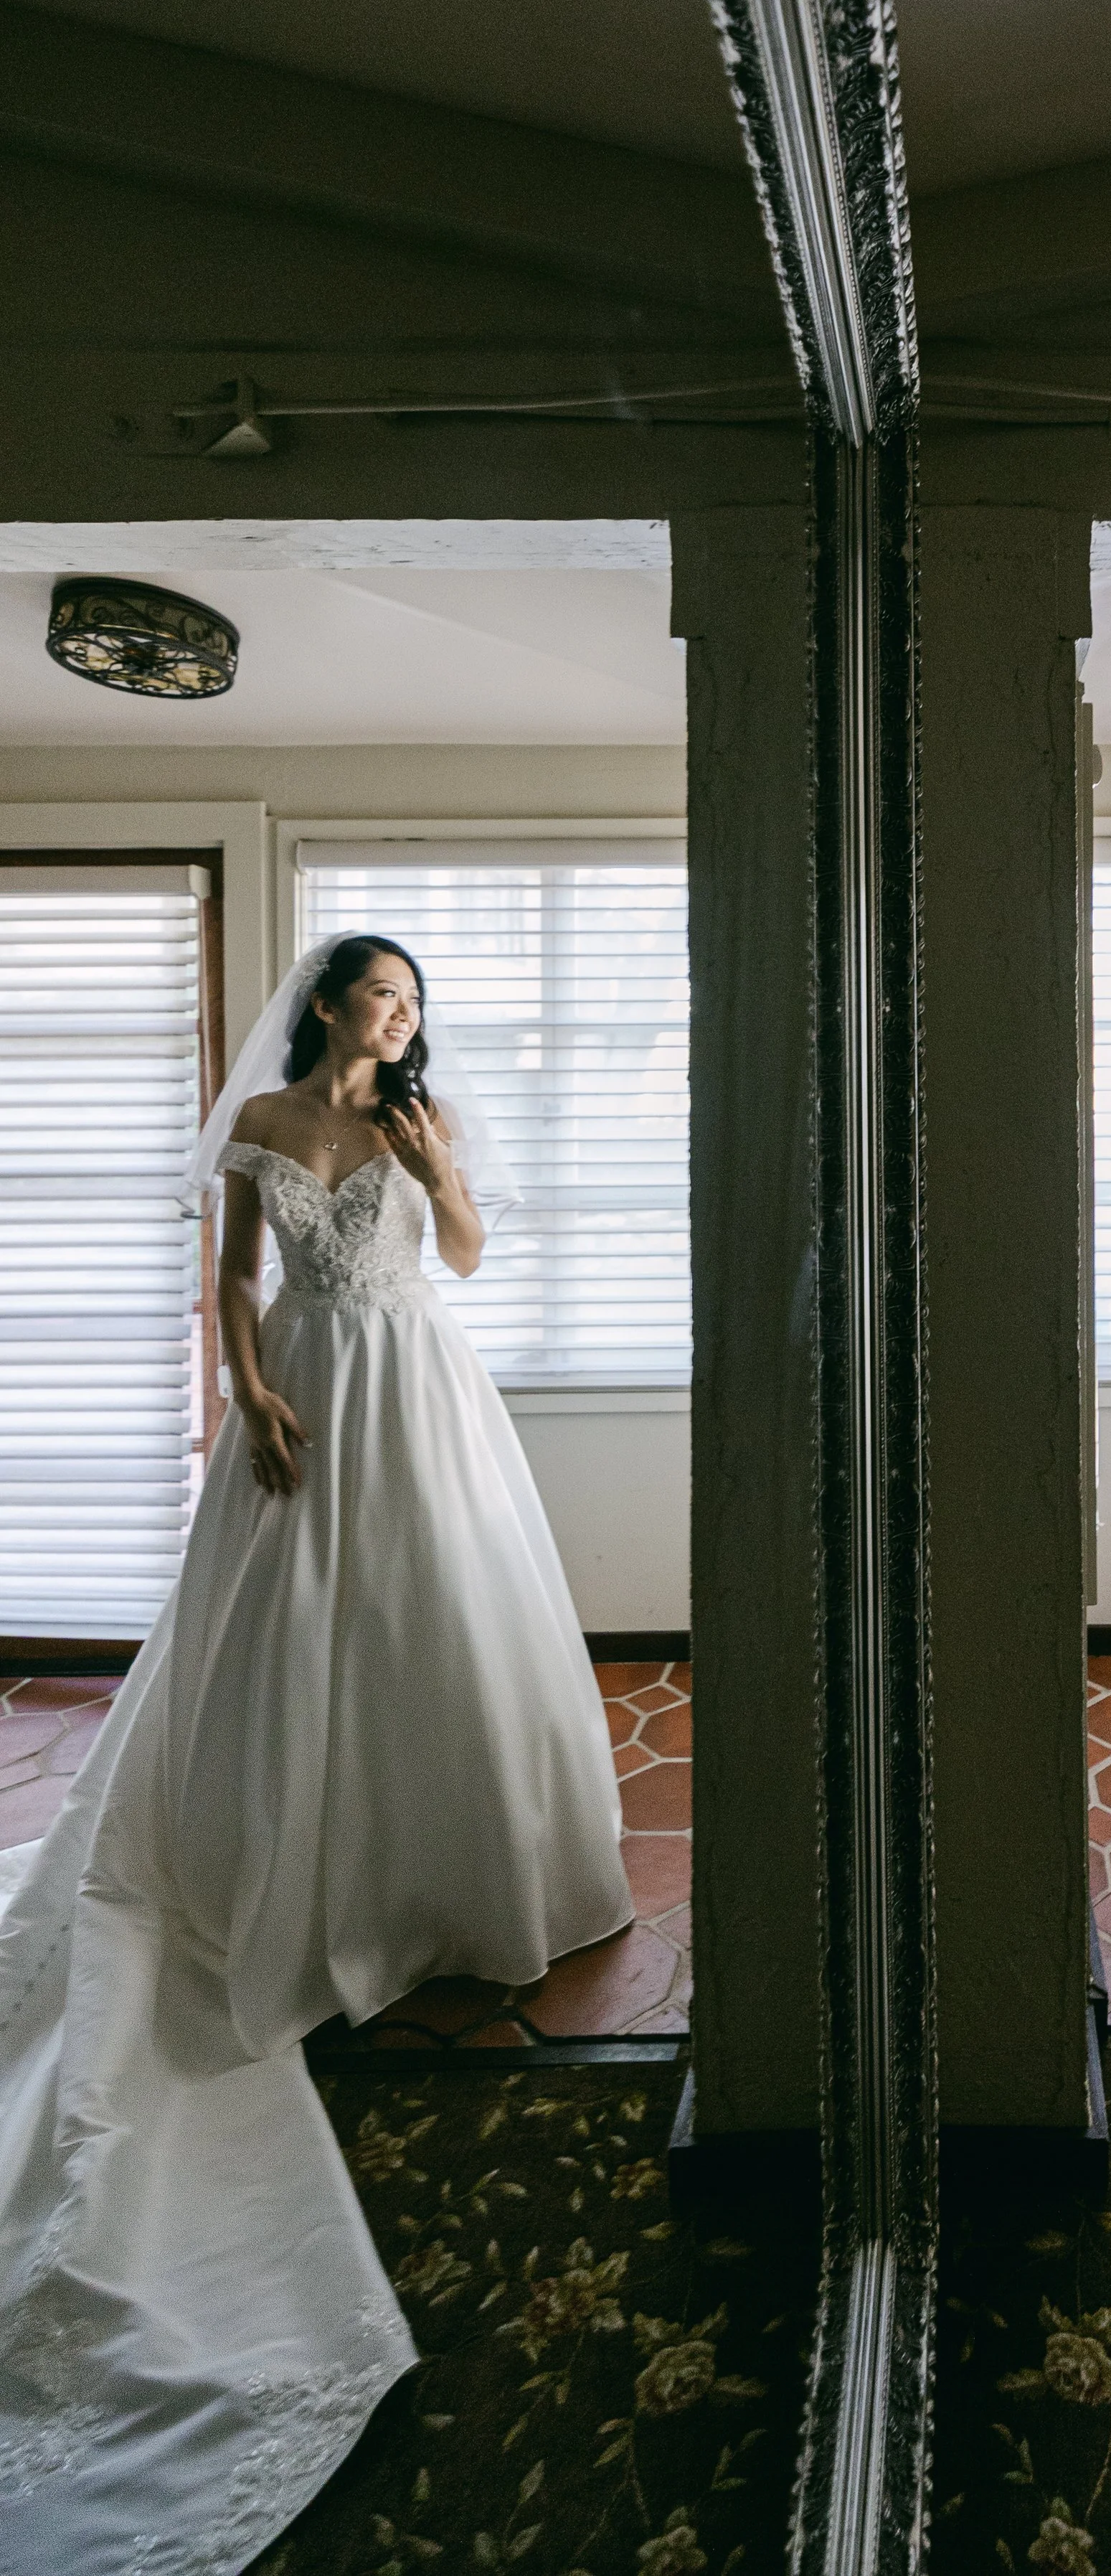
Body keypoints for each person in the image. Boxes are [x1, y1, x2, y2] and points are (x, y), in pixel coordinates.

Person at [0, 934, 634, 2575]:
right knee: (293, 1654)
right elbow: (229, 1281)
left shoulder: (420, 1129)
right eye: (385, 995)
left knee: (443, 1631)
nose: (404, 1018)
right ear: (330, 1003)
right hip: (312, 1398)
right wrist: (247, 1400)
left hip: (425, 1394)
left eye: (418, 1003)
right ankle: (291, 1870)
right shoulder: (267, 1127)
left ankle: (449, 1869)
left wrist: (437, 1168)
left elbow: (473, 1261)